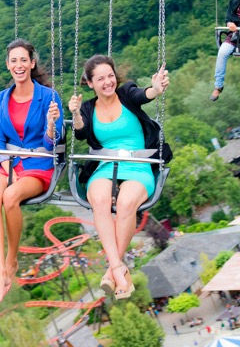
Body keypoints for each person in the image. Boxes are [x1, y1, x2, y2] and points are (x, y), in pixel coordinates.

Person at [68, 55, 171, 300]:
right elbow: (81, 133)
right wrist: (76, 114)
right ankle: (117, 269)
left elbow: (142, 95)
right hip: (105, 166)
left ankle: (112, 271)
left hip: (138, 165)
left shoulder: (126, 94)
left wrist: (155, 89)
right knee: (100, 201)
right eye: (100, 78)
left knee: (125, 204)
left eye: (110, 76)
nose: (107, 82)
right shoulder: (88, 108)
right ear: (90, 83)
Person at [0, 39, 63, 305]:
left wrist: (51, 125)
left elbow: (53, 144)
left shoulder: (49, 97)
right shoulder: (1, 99)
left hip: (38, 164)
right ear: (8, 65)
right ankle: (0, 273)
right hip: (9, 162)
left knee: (10, 198)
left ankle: (12, 260)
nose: (19, 65)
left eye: (23, 60)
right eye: (13, 61)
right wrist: (7, 169)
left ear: (32, 63)